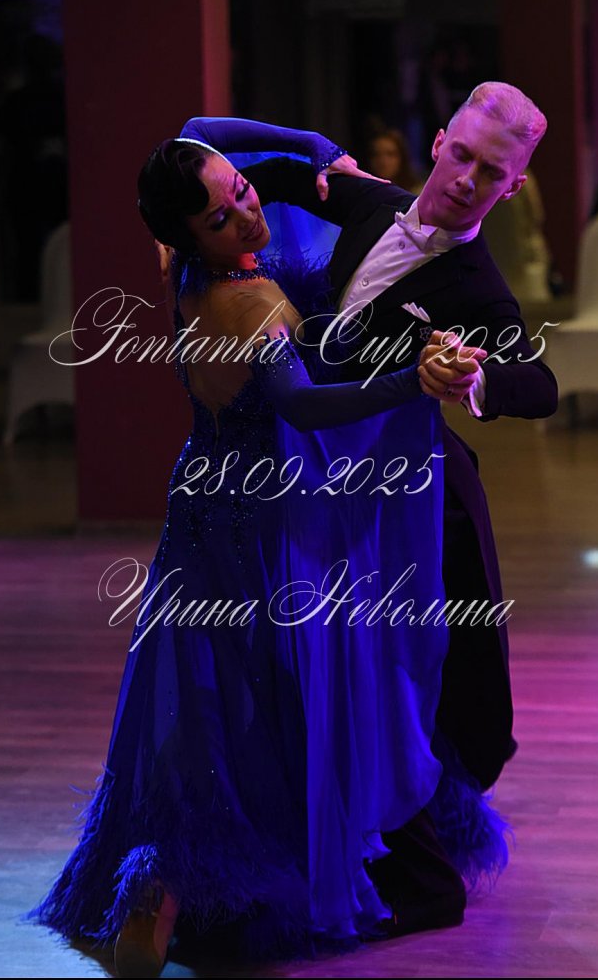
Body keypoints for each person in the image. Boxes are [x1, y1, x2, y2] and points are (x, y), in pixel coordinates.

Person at [27, 127, 505, 976]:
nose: (248, 214)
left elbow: (200, 135)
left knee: (199, 700)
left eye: (243, 192)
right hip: (257, 519)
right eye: (222, 217)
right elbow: (306, 407)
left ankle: (163, 883)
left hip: (197, 502)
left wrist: (313, 147)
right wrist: (413, 380)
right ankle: (213, 878)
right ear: (189, 236)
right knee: (260, 701)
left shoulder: (182, 270)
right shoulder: (246, 303)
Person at [179, 80, 558, 934]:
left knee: (407, 677)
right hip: (317, 479)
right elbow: (215, 149)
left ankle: (414, 870)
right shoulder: (365, 197)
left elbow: (540, 384)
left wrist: (477, 378)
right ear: (440, 143)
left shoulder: (477, 285)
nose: (467, 180)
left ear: (512, 187)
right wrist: (312, 147)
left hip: (411, 497)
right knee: (318, 668)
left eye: (491, 173)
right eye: (462, 155)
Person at [366, 127, 426, 194]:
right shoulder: (364, 193)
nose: (383, 161)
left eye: (390, 154)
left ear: (402, 157)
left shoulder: (418, 194)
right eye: (376, 154)